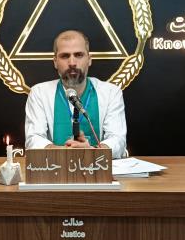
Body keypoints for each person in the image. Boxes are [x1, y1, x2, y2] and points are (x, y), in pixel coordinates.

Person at [25, 29, 127, 159]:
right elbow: (33, 139)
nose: (72, 63)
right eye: (65, 56)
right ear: (55, 62)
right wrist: (64, 153)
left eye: (78, 55)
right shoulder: (39, 93)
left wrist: (92, 151)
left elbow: (118, 140)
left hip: (97, 167)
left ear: (89, 59)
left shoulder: (111, 93)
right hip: (55, 167)